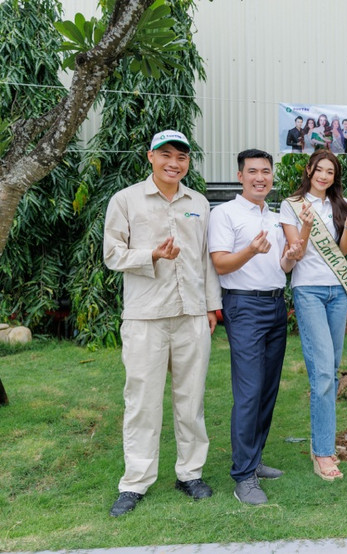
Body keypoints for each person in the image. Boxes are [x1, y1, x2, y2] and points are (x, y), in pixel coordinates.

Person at [103, 130, 222, 517]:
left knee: (192, 401)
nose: (174, 163)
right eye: (166, 154)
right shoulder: (125, 200)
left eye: (182, 157)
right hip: (145, 316)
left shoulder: (198, 202)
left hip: (192, 315)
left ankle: (190, 474)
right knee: (142, 402)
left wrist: (211, 307)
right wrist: (151, 255)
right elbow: (112, 254)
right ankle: (135, 482)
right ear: (150, 157)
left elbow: (205, 259)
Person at [208, 149, 303, 505]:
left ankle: (255, 458)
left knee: (267, 390)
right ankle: (243, 476)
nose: (260, 177)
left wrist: (289, 257)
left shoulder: (276, 218)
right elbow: (220, 264)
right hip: (244, 307)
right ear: (240, 176)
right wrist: (250, 250)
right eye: (252, 171)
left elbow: (283, 266)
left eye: (266, 171)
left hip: (275, 304)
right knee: (249, 391)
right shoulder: (224, 213)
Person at [280, 149, 347, 481]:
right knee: (323, 373)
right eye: (320, 169)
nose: (324, 176)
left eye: (330, 172)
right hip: (309, 290)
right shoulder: (291, 205)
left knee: (331, 369)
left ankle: (323, 442)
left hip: (337, 292)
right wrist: (305, 226)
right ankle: (323, 452)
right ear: (308, 170)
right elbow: (296, 253)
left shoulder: (341, 205)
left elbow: (342, 251)